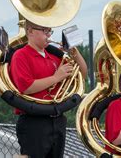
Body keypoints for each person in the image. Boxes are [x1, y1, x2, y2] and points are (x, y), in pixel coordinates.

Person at [10, 20, 87, 158]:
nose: (49, 36)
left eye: (50, 31)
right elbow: (25, 87)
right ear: (30, 31)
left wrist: (74, 52)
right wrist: (56, 78)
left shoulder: (54, 57)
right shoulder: (20, 55)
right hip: (34, 121)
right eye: (45, 31)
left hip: (57, 119)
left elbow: (82, 74)